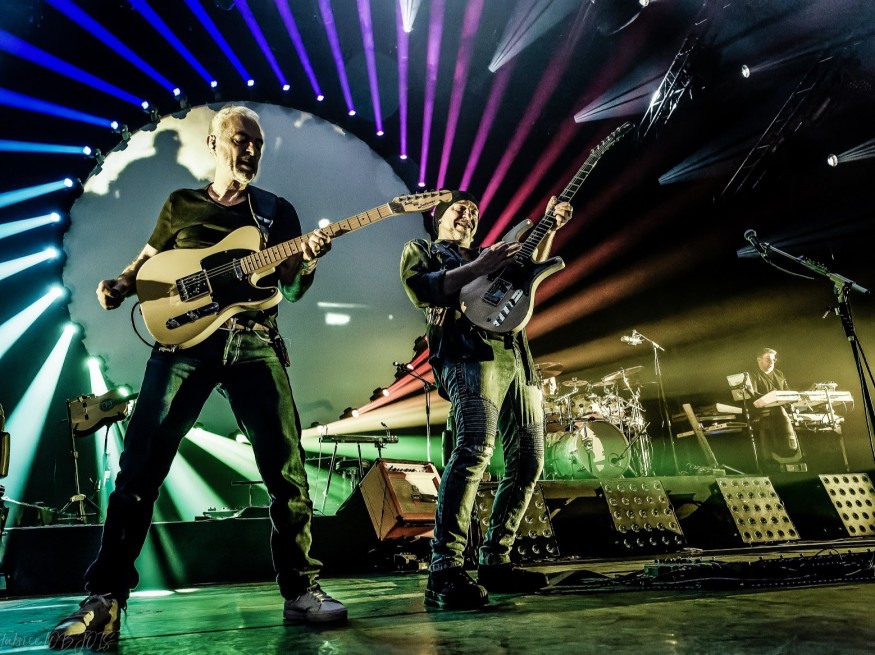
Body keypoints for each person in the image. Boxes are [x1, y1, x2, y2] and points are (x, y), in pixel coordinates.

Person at [49, 105, 346, 651]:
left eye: (258, 142)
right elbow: (148, 258)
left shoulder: (275, 212)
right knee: (140, 467)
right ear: (214, 142)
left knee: (286, 470)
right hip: (182, 343)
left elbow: (292, 289)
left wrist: (308, 259)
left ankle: (301, 590)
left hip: (253, 339)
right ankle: (105, 597)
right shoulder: (181, 205)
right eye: (241, 139)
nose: (251, 149)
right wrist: (121, 283)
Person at [400, 190, 572, 609]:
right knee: (475, 450)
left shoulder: (491, 253)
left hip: (517, 354)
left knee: (530, 460)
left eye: (474, 212)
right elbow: (422, 289)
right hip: (468, 353)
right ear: (439, 217)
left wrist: (549, 224)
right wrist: (480, 267)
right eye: (460, 209)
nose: (469, 215)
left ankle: (496, 559)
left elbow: (529, 270)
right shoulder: (423, 250)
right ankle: (444, 569)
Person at [749, 347, 802, 469]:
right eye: (768, 359)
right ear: (759, 360)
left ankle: (791, 453)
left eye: (773, 360)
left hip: (782, 411)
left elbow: (787, 392)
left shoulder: (779, 374)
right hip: (765, 412)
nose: (772, 362)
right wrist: (772, 398)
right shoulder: (753, 375)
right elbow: (754, 395)